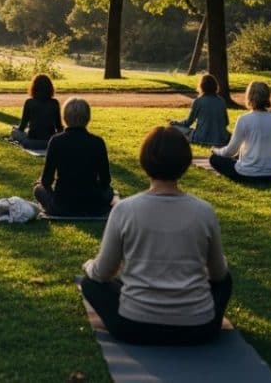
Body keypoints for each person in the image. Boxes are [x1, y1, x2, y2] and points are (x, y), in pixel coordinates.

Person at [81, 126, 231, 345]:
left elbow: (102, 273)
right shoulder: (204, 211)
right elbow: (218, 274)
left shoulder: (125, 210)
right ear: (185, 161)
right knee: (226, 281)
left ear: (145, 160)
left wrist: (88, 265)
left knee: (90, 283)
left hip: (135, 327)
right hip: (198, 329)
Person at [33, 98, 112, 216]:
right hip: (93, 206)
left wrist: (54, 195)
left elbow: (46, 181)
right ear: (88, 118)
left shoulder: (56, 141)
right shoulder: (97, 142)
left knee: (38, 189)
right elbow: (105, 181)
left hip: (62, 206)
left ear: (65, 117)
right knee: (110, 192)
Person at [209, 81, 271, 182]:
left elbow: (230, 151)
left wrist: (216, 151)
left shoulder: (244, 119)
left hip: (248, 174)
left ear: (249, 97)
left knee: (214, 159)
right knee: (237, 157)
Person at [169, 73, 229, 146]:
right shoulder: (221, 101)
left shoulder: (198, 101)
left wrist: (176, 123)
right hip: (221, 139)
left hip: (201, 138)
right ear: (215, 86)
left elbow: (188, 122)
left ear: (201, 86)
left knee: (174, 128)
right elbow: (226, 122)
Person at [10, 73, 63, 149]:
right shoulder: (54, 103)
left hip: (32, 142)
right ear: (50, 88)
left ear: (34, 87)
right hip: (50, 142)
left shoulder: (29, 102)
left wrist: (16, 128)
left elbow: (22, 127)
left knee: (14, 132)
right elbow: (59, 127)